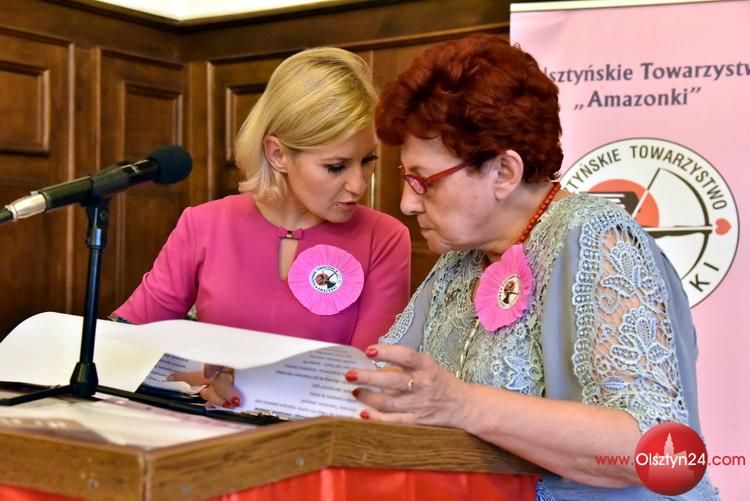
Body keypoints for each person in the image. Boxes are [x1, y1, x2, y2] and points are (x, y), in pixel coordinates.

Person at [346, 35, 718, 500]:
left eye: (425, 182)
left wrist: (464, 405)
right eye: (406, 178)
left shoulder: (598, 238)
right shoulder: (460, 259)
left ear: (504, 172)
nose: (407, 203)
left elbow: (654, 446)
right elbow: (387, 383)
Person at [113, 47, 411, 408]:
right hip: (206, 429)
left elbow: (370, 380)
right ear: (278, 154)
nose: (358, 185)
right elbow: (124, 342)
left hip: (325, 435)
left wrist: (246, 384)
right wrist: (198, 382)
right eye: (336, 167)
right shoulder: (203, 223)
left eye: (367, 161)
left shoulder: (385, 238)